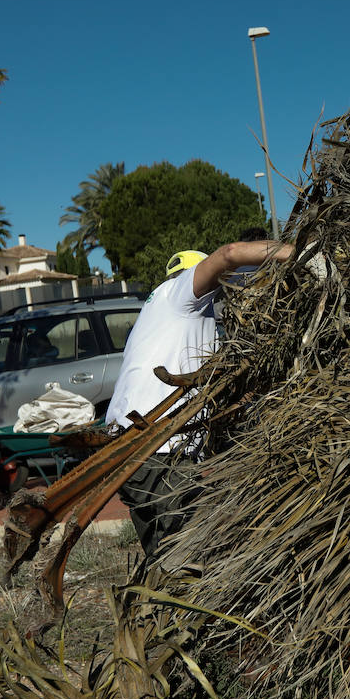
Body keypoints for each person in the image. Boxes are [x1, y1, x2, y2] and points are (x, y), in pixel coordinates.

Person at [107, 231, 294, 557]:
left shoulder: (161, 315)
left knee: (162, 560)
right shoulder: (179, 296)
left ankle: (156, 606)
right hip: (158, 450)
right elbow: (231, 252)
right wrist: (301, 254)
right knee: (193, 558)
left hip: (132, 448)